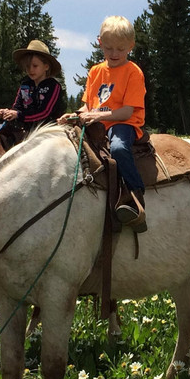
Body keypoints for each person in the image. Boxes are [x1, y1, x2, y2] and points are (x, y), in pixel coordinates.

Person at [60, 16, 147, 232]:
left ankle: (135, 195)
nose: (114, 53)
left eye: (120, 49)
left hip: (123, 123)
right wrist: (74, 115)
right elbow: (88, 106)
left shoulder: (133, 72)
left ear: (131, 46)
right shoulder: (95, 71)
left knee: (118, 148)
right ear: (100, 43)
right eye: (109, 48)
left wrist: (98, 116)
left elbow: (127, 111)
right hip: (97, 124)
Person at [0, 40, 65, 148]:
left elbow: (45, 113)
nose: (30, 70)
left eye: (35, 66)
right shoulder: (25, 85)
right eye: (27, 67)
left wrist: (19, 115)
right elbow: (17, 107)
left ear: (46, 66)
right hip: (25, 131)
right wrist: (7, 113)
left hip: (47, 132)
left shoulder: (53, 86)